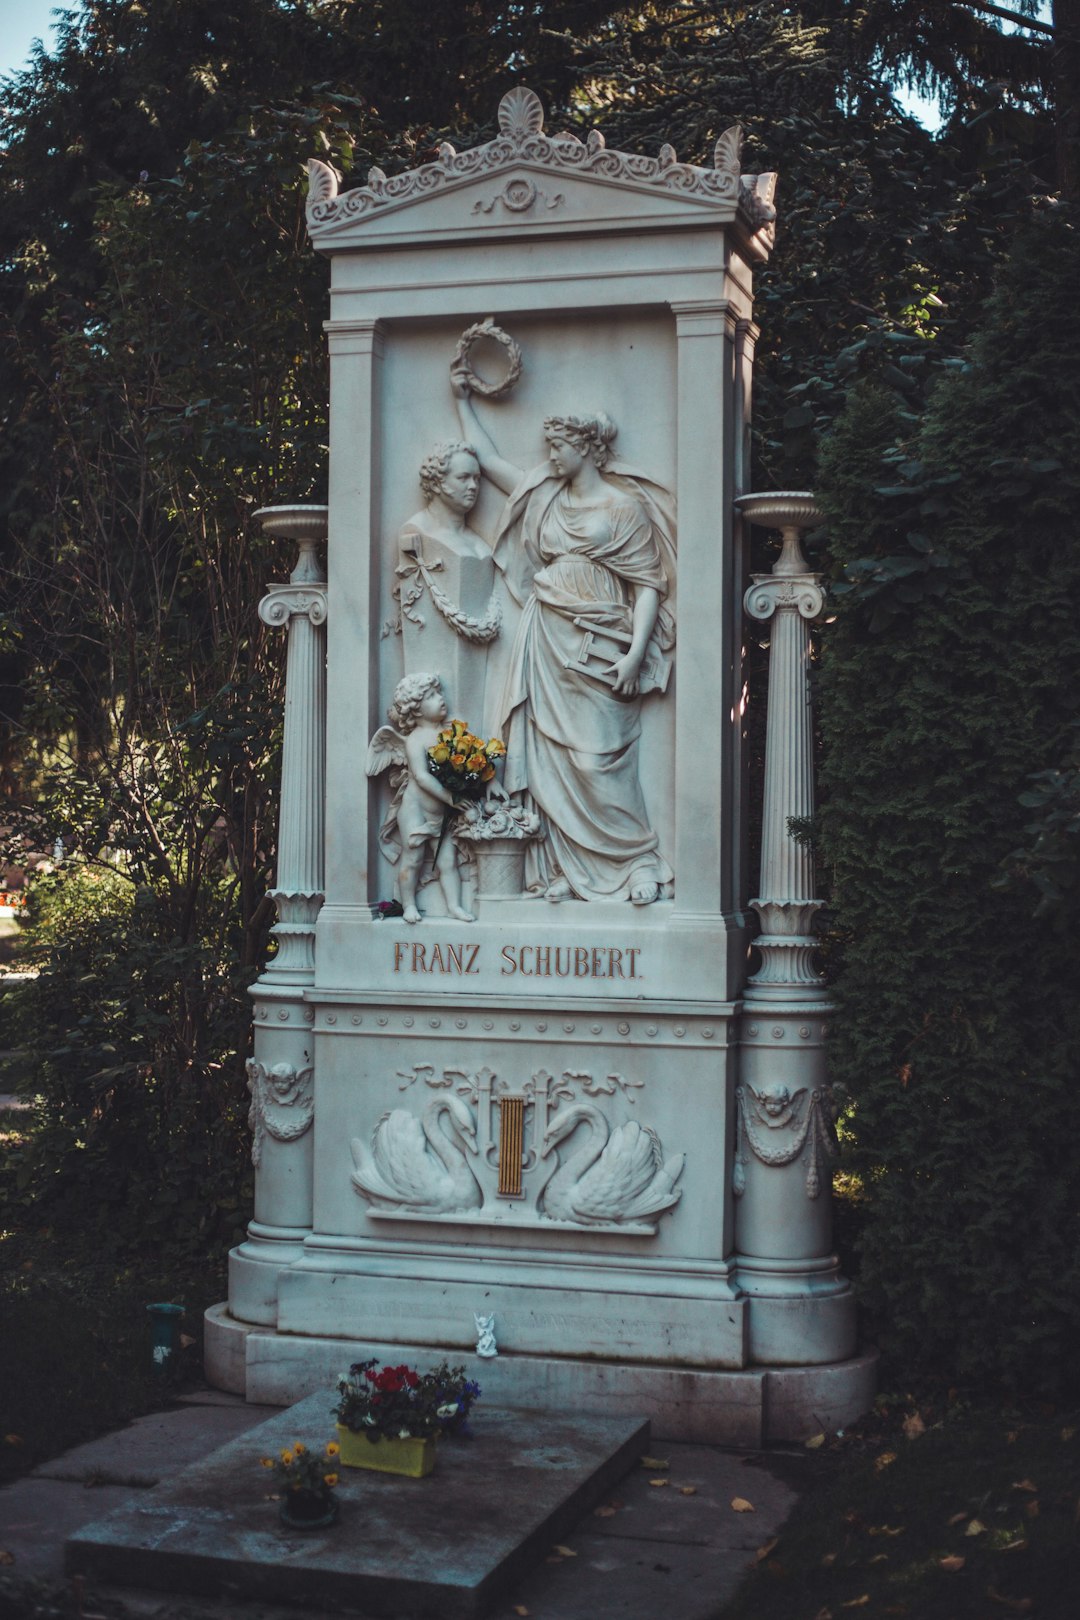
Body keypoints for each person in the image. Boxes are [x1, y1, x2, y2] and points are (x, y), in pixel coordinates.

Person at [453, 378, 675, 904]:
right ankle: (562, 869)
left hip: (603, 642)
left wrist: (635, 653)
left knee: (599, 758)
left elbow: (646, 586)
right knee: (549, 753)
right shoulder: (543, 495)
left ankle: (637, 861)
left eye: (558, 445)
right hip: (546, 635)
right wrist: (463, 400)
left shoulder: (623, 509)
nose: (550, 455)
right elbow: (484, 457)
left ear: (586, 448)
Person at [366, 673, 474, 924]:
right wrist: (451, 797)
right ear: (415, 709)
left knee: (448, 861)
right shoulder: (415, 739)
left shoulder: (451, 733)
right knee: (412, 858)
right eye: (432, 696)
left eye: (439, 693)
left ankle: (455, 906)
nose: (441, 699)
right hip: (414, 811)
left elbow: (468, 764)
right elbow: (422, 777)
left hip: (441, 813)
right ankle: (409, 905)